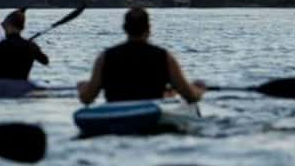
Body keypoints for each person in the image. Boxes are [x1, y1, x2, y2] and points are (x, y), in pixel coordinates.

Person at [76, 7, 205, 104]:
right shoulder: (164, 57)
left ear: (125, 29)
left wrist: (82, 87)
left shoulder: (105, 57)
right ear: (148, 28)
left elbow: (87, 98)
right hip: (151, 110)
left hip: (116, 111)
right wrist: (199, 88)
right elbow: (190, 96)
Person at [0, 9, 49, 80]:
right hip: (23, 84)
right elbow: (45, 61)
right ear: (22, 28)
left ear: (9, 26)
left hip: (1, 87)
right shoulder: (31, 46)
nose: (3, 28)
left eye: (4, 26)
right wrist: (34, 47)